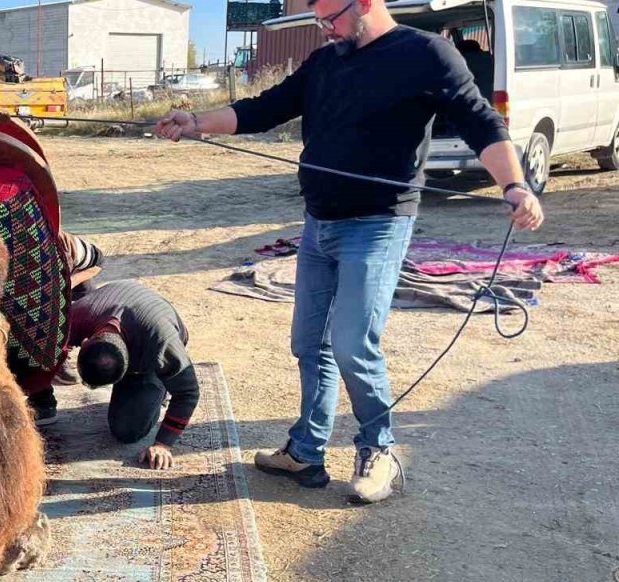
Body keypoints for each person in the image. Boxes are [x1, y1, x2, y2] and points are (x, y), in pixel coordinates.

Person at [154, 0, 544, 502]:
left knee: (353, 343)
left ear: (364, 2)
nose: (324, 26)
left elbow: (481, 122)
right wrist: (194, 120)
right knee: (309, 342)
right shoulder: (326, 60)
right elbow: (263, 108)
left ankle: (379, 451)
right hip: (319, 223)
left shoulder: (428, 53)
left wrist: (514, 185)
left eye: (330, 15)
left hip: (379, 224)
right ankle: (306, 450)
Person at [30, 279, 199, 470]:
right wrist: (39, 392)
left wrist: (163, 444)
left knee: (127, 431)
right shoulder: (75, 318)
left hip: (154, 336)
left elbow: (188, 393)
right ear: (84, 342)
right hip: (117, 304)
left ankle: (159, 385)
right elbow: (38, 350)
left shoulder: (160, 346)